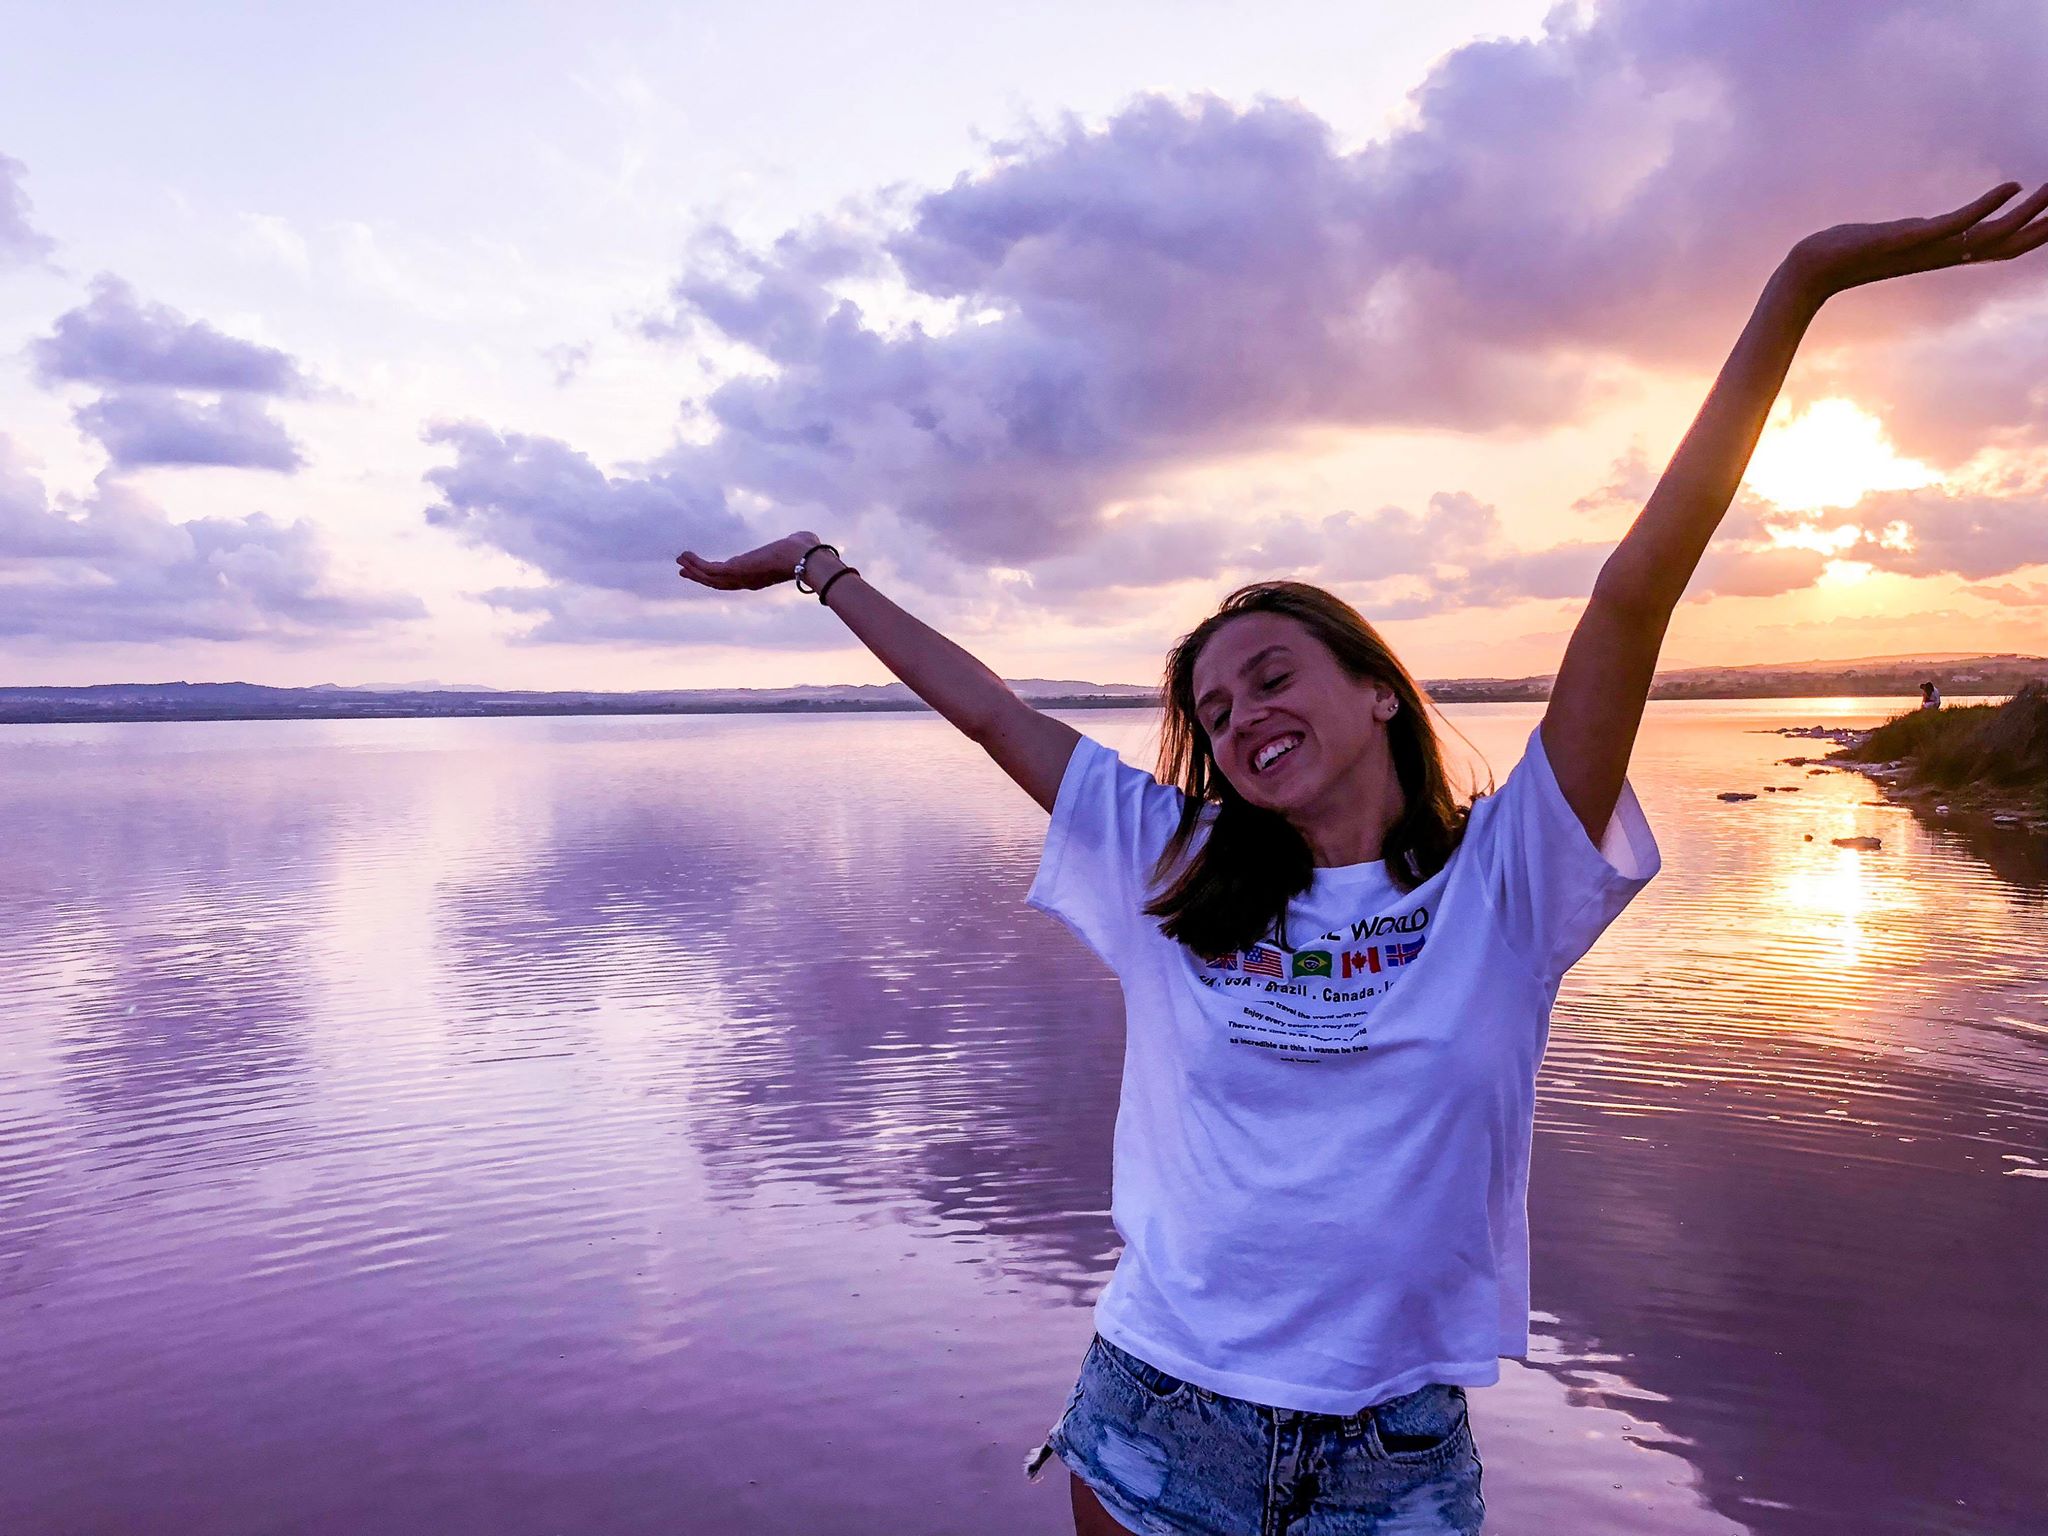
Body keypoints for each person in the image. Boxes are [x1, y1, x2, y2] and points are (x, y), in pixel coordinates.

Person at [677, 182, 2044, 1535]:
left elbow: (1634, 593)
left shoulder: (1508, 880)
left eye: (1274, 677)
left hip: (1390, 1454)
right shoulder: (1168, 864)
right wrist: (819, 565)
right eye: (1216, 712)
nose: (1242, 719)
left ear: (1380, 689)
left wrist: (1801, 281)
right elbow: (988, 710)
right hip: (1156, 1411)